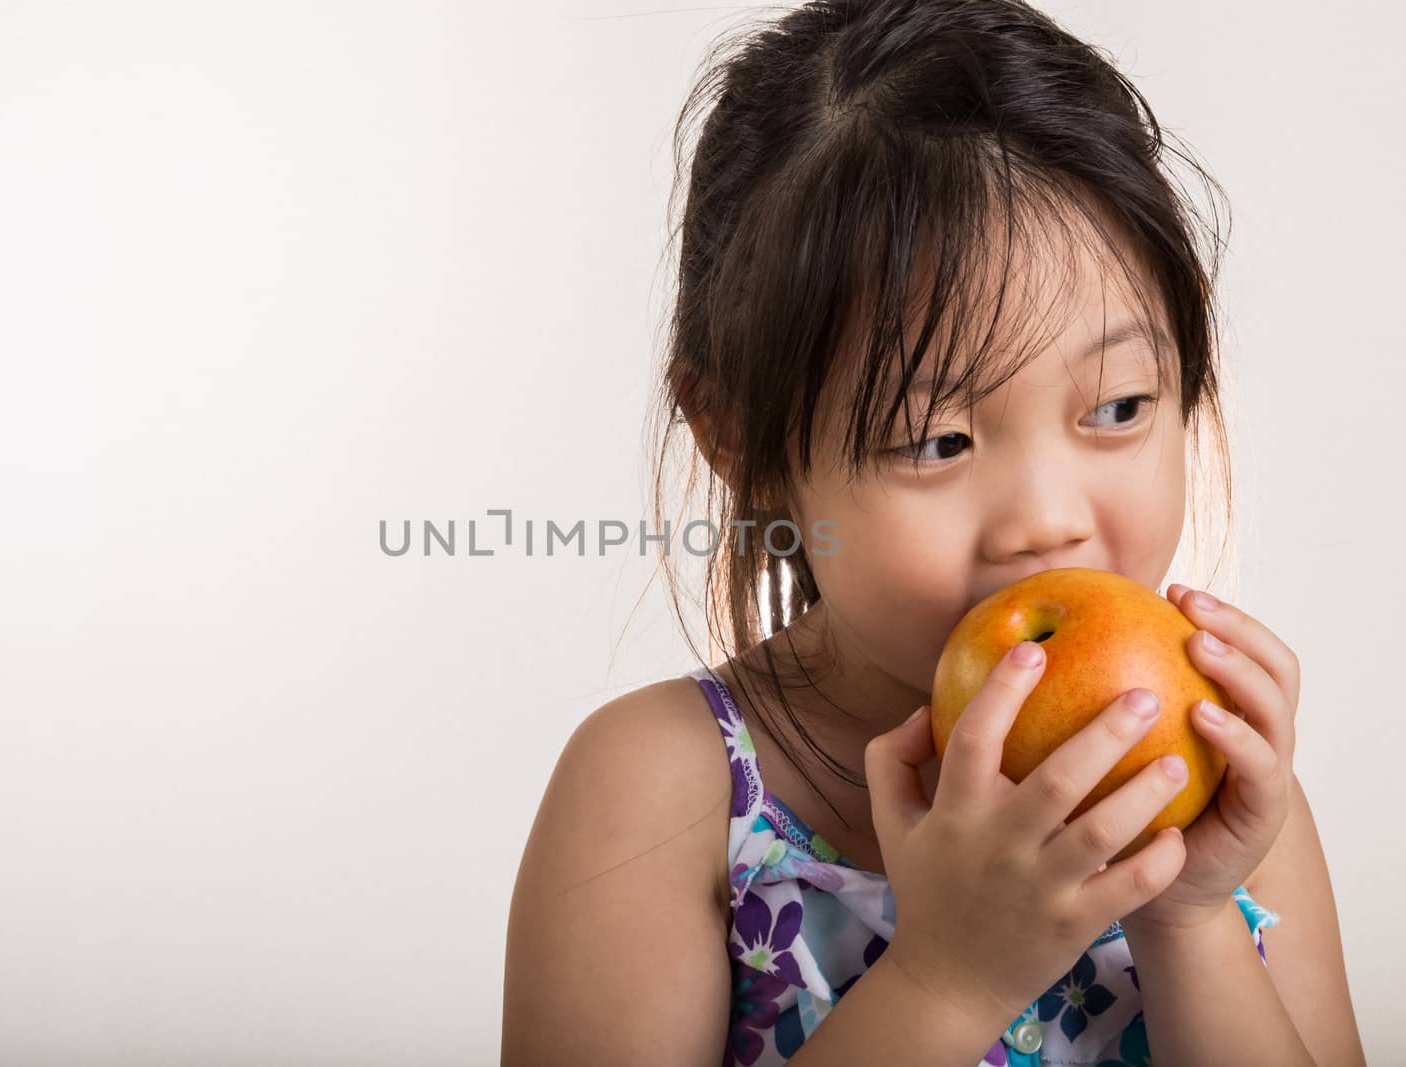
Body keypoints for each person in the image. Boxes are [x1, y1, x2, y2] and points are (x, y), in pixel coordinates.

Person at [502, 1, 1366, 1064]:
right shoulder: (666, 790)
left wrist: (1189, 915)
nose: (1047, 520)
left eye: (1119, 407)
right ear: (740, 436)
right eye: (937, 438)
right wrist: (947, 976)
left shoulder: (1215, 783)